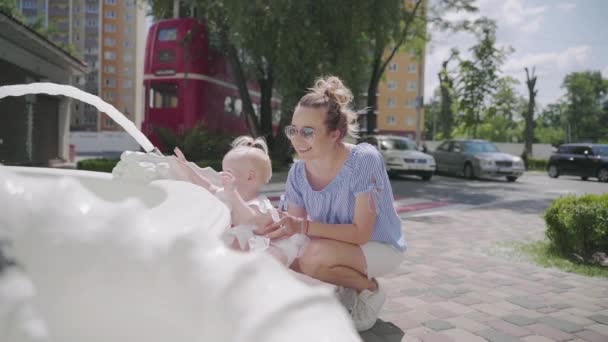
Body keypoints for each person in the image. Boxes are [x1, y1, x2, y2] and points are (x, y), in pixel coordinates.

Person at [256, 76, 407, 331]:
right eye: (293, 129)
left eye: (308, 132)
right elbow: (295, 232)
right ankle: (344, 288)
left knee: (313, 257)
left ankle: (370, 290)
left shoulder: (363, 160)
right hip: (337, 245)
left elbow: (361, 233)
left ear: (335, 134)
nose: (297, 139)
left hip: (379, 245)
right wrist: (268, 233)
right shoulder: (297, 172)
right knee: (290, 256)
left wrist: (301, 227)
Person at [173, 136, 308, 266]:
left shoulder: (259, 204)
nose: (222, 174)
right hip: (237, 248)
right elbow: (208, 186)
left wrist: (232, 194)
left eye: (228, 171)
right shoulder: (227, 193)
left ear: (250, 177)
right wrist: (188, 168)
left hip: (261, 248)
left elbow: (250, 219)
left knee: (269, 258)